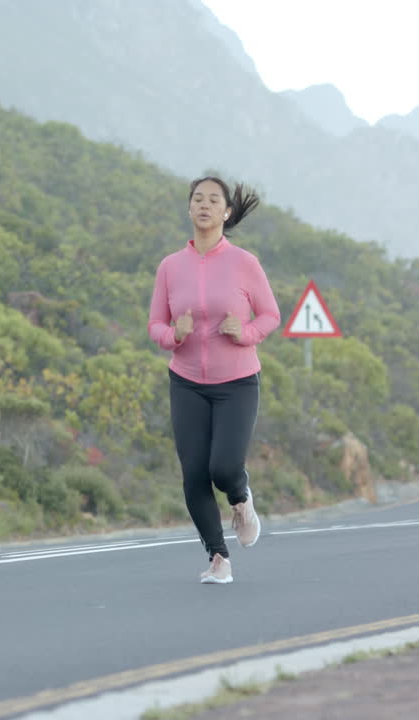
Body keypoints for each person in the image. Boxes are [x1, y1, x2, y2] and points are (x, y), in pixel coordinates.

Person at [147, 176, 281, 584]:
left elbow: (270, 315)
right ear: (189, 209)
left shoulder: (244, 263)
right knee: (193, 474)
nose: (204, 205)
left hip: (237, 381)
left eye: (213, 200)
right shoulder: (171, 267)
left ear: (226, 212)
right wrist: (176, 336)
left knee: (223, 467)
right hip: (186, 381)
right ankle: (218, 558)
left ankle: (241, 499)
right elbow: (155, 324)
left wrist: (246, 334)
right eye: (197, 199)